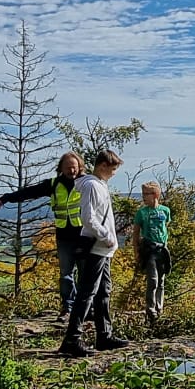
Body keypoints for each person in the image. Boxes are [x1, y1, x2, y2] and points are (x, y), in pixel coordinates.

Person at [0, 153, 85, 322]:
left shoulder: (87, 183)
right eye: (68, 167)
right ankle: (68, 308)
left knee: (86, 274)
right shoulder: (53, 184)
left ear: (80, 167)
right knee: (66, 274)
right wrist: (5, 199)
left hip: (84, 235)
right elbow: (28, 192)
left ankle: (86, 309)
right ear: (61, 169)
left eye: (74, 167)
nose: (72, 170)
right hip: (64, 235)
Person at [60, 150, 123, 358]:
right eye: (113, 169)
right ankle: (72, 339)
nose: (114, 173)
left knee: (103, 291)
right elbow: (88, 218)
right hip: (96, 247)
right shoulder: (91, 185)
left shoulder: (99, 185)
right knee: (87, 293)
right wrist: (106, 236)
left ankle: (104, 336)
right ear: (103, 166)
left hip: (103, 249)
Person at [132, 181, 173, 327]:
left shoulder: (165, 211)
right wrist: (136, 251)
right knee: (153, 280)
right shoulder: (141, 213)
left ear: (155, 195)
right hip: (149, 250)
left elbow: (165, 228)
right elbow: (136, 233)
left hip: (162, 249)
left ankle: (159, 308)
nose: (143, 197)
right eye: (142, 194)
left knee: (161, 280)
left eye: (146, 194)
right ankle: (150, 310)